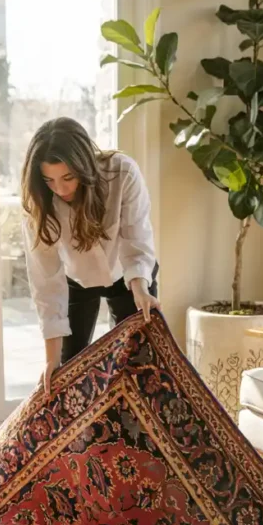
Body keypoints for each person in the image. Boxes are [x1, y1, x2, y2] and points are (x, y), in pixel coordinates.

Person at [22, 117, 159, 395]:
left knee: (140, 365)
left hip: (129, 275)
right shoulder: (38, 203)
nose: (60, 189)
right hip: (76, 281)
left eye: (68, 177)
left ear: (84, 164)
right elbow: (46, 282)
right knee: (68, 371)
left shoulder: (121, 173)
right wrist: (51, 360)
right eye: (50, 180)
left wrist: (141, 289)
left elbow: (136, 236)